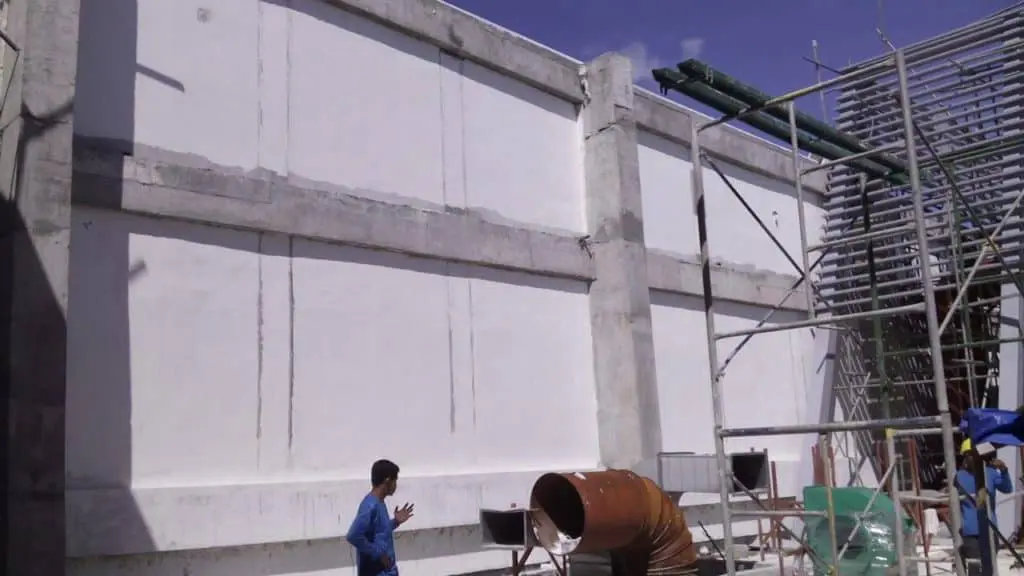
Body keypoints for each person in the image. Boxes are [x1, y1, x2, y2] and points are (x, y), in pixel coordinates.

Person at [346, 459, 416, 576]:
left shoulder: (379, 503)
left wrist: (395, 522)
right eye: (395, 481)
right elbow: (353, 535)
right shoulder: (370, 505)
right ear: (388, 481)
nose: (396, 485)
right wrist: (378, 554)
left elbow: (378, 532)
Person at [955, 439, 1013, 576]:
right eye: (970, 455)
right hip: (971, 533)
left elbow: (1007, 488)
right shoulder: (958, 477)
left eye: (976, 454)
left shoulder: (990, 473)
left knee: (989, 569)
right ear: (965, 457)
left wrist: (1004, 470)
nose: (973, 458)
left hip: (990, 530)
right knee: (974, 569)